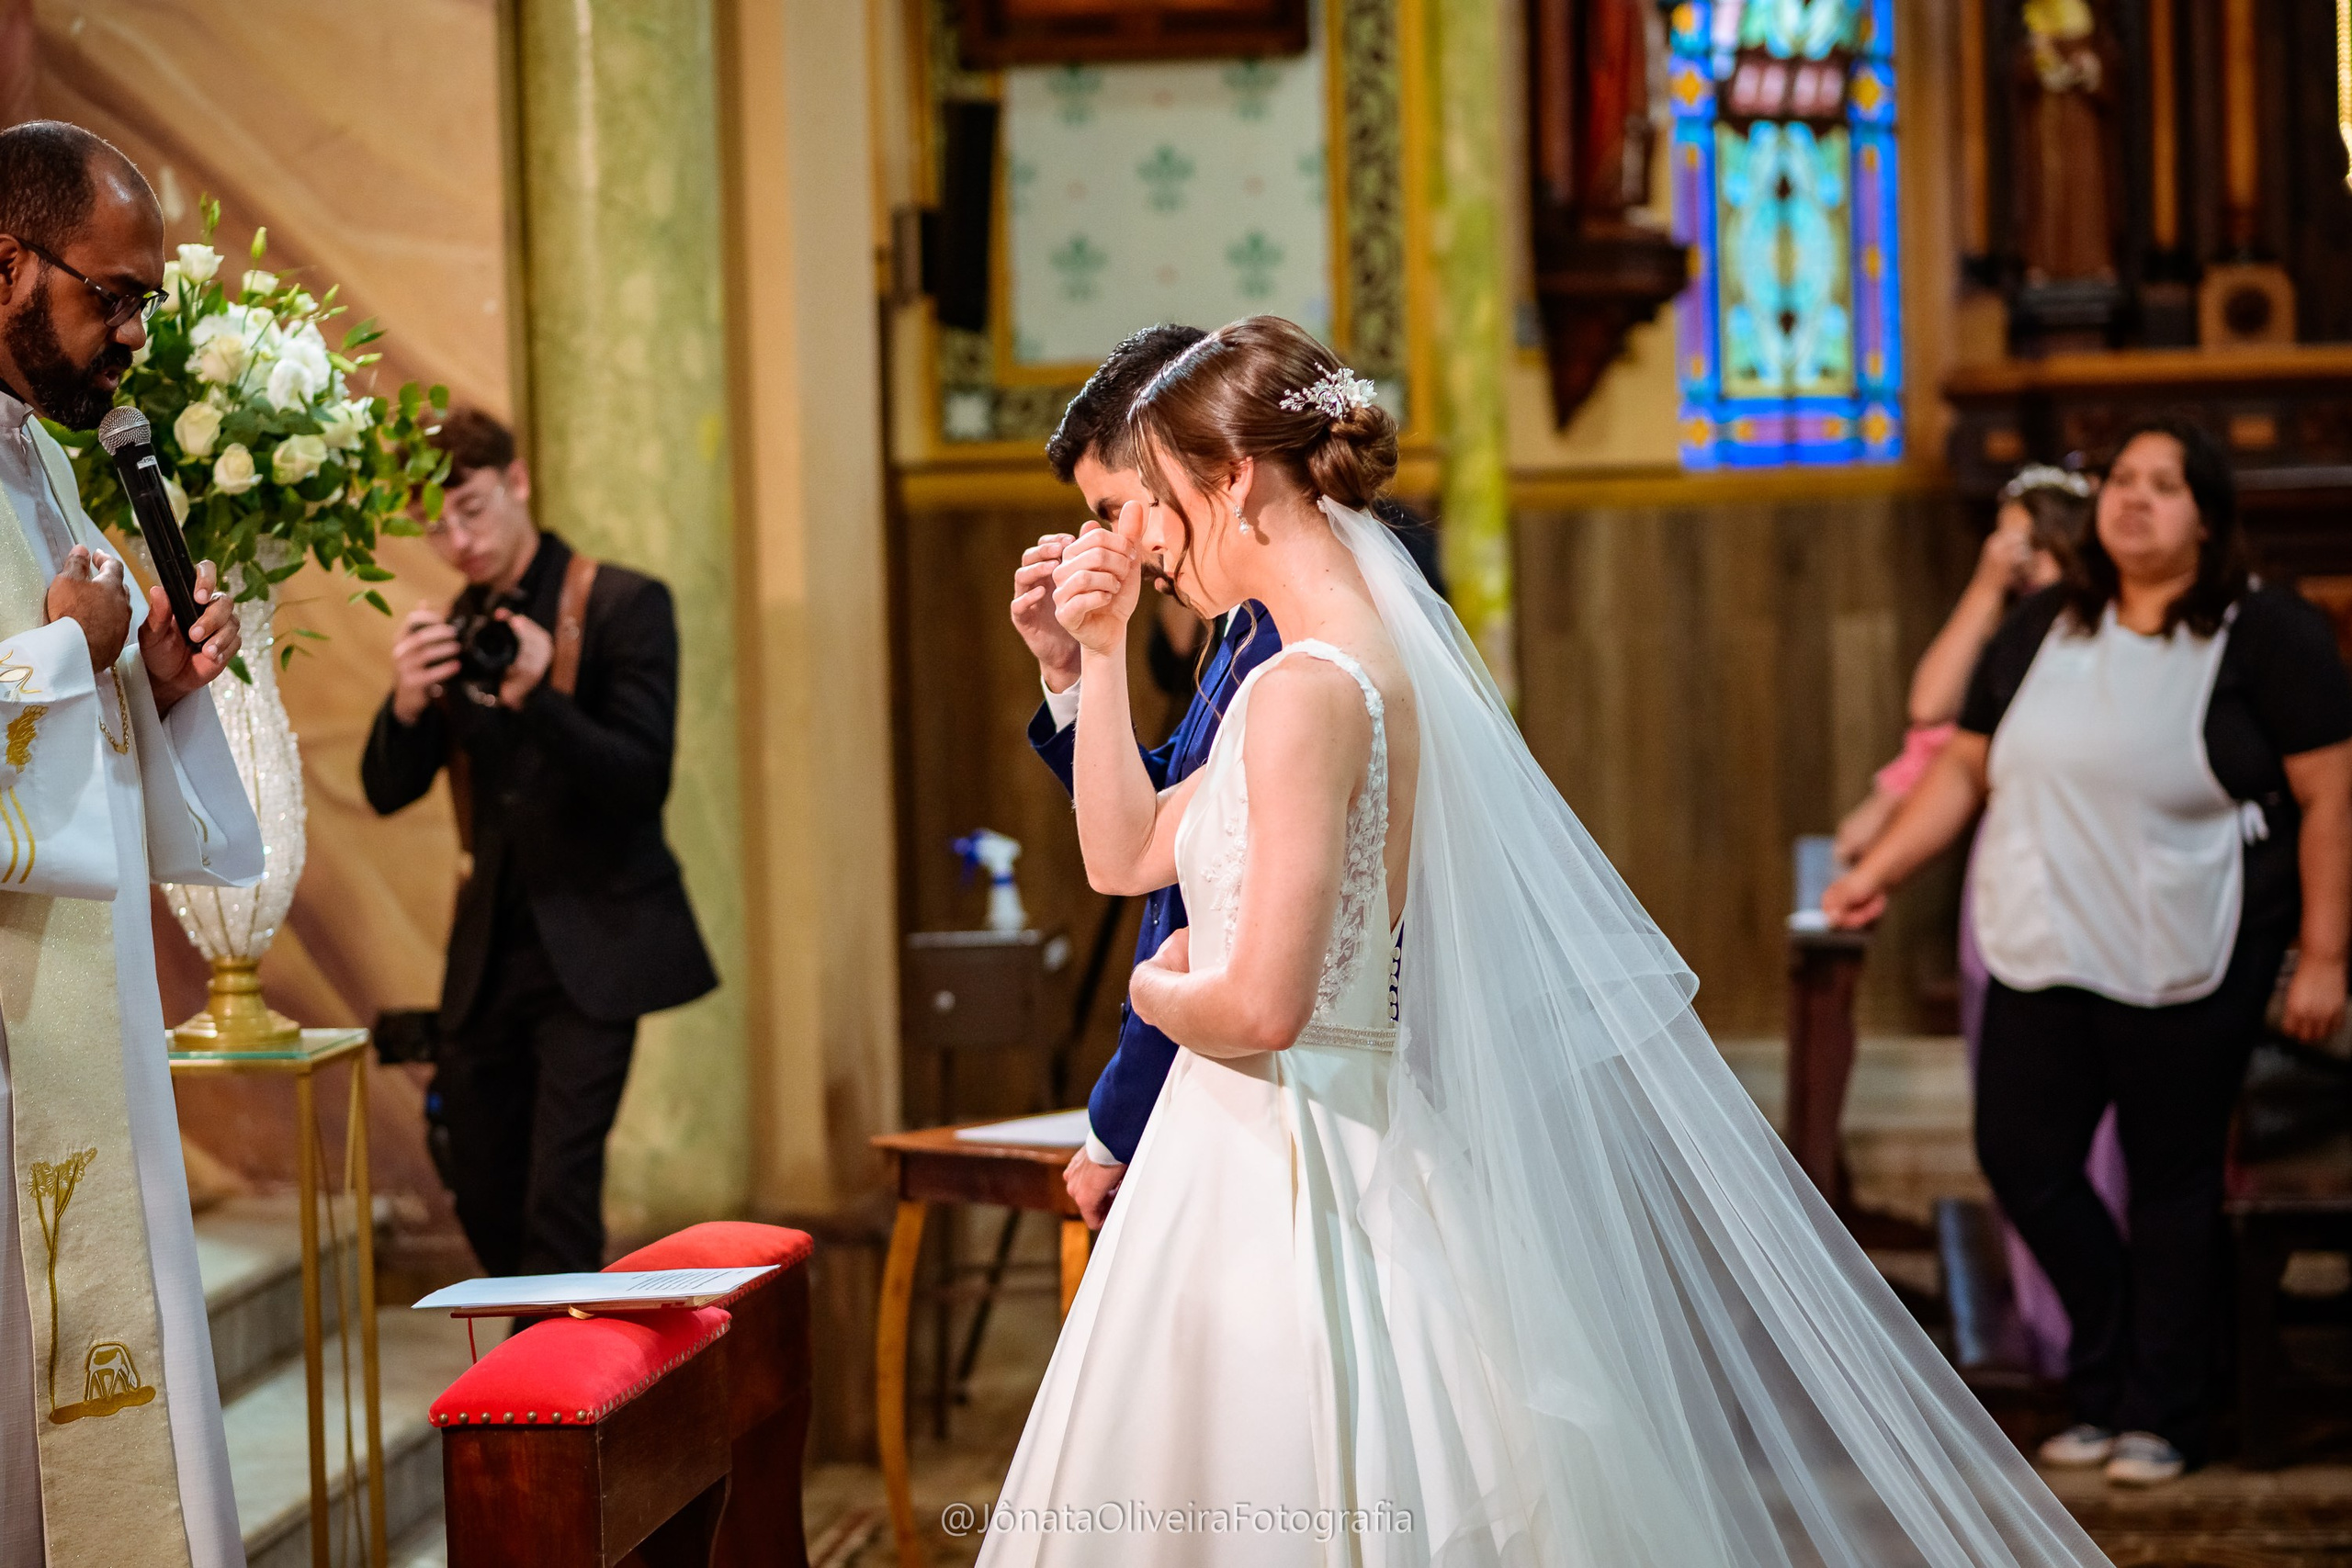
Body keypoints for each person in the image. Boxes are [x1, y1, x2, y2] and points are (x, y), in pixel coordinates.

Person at [980, 316, 2110, 1565]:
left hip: (1286, 1142)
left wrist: (1160, 978)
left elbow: (1259, 1005)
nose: (1140, 545)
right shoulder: (1320, 665)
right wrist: (1085, 657)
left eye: (1157, 498)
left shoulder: (1304, 686)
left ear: (1234, 477)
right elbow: (1125, 851)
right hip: (1290, 1132)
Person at [1825, 417, 2352, 1484]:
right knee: (2024, 1159)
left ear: (2206, 514)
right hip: (2043, 936)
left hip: (2187, 943)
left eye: (2164, 484)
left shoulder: (2266, 632)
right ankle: (2121, 1368)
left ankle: (2161, 1413)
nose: (2134, 498)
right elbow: (1962, 772)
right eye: (2119, 480)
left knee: (2169, 1180)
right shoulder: (2039, 632)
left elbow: (2329, 794)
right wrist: (1876, 868)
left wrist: (2326, 952)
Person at [0, 121, 262, 1568]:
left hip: (81, 1037)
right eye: (114, 292)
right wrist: (57, 651)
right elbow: (27, 670)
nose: (134, 333)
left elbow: (75, 762)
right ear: (5, 261)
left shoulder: (43, 462)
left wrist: (144, 684)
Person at [362, 409, 716, 1278]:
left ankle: (547, 1408)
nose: (459, 540)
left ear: (517, 483)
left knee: (559, 1193)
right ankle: (535, 1371)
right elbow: (384, 788)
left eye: (472, 509)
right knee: (479, 1181)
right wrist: (408, 702)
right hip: (489, 954)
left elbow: (641, 778)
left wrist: (536, 694)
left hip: (594, 948)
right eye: (436, 526)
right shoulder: (460, 622)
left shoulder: (624, 604)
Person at [1837, 467, 2116, 1383]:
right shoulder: (2007, 628)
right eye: (1998, 537)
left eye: (2023, 538)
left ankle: (2102, 1333)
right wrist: (1989, 585)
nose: (2009, 553)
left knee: (2098, 1128)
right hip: (2009, 884)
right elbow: (1930, 712)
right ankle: (2049, 1329)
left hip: (2103, 885)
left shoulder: (2112, 626)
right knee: (2016, 1116)